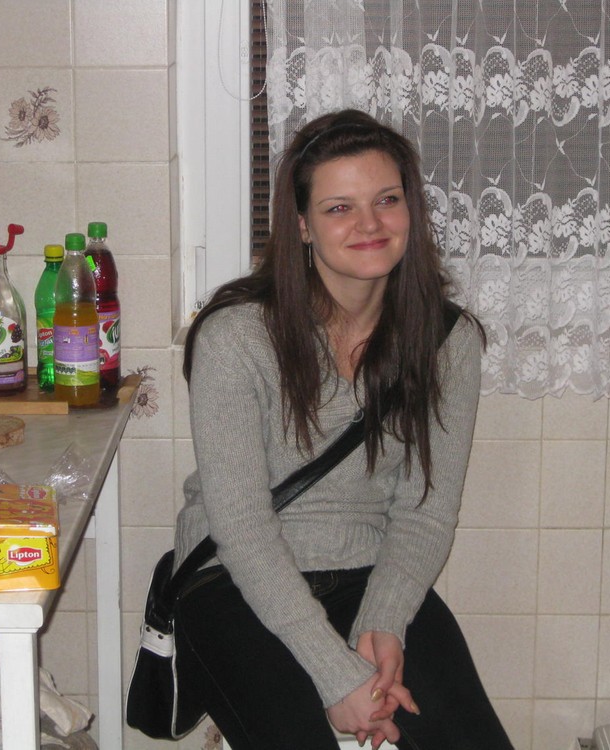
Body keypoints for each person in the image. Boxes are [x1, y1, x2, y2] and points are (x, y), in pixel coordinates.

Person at [172, 108, 513, 750]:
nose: (370, 224)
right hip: (234, 580)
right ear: (302, 225)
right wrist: (336, 675)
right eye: (339, 208)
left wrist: (383, 626)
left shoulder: (447, 341)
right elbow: (242, 527)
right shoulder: (235, 337)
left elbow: (425, 512)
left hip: (368, 572)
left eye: (387, 200)